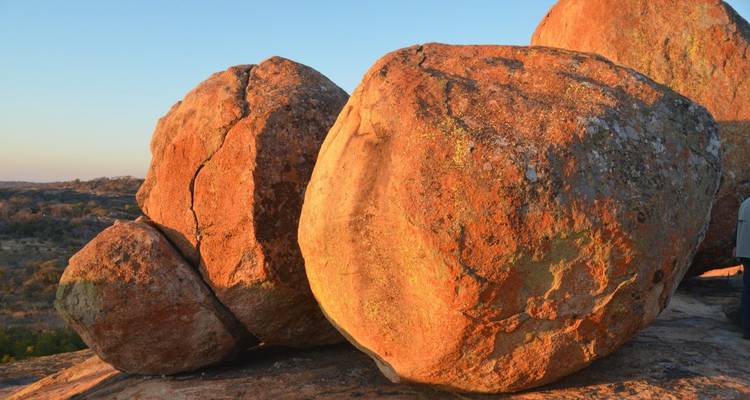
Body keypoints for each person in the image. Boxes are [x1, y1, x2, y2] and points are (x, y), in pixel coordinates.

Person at [734, 197, 750, 340]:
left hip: (745, 252)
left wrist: (736, 247)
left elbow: (737, 229)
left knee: (747, 290)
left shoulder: (745, 203)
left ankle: (746, 329)